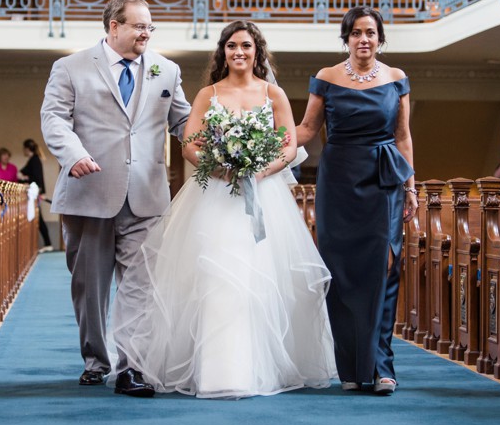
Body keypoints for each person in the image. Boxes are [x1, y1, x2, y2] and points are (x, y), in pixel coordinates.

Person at [114, 20, 335, 399]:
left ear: (257, 51)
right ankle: (217, 372)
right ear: (223, 52)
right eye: (232, 46)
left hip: (263, 198)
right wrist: (220, 166)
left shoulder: (273, 94)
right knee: (216, 279)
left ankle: (255, 369)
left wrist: (258, 170)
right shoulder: (208, 94)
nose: (239, 52)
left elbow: (287, 146)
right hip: (215, 197)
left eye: (246, 46)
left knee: (258, 281)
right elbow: (190, 145)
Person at [40, 0, 191, 397]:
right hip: (89, 191)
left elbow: (184, 121)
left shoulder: (166, 70)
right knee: (90, 286)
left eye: (149, 27)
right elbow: (54, 117)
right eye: (139, 26)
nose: (146, 33)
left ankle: (131, 367)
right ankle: (96, 360)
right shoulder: (70, 67)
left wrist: (223, 140)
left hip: (146, 195)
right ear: (113, 27)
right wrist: (73, 155)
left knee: (140, 285)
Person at [296, 6, 416, 396]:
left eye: (371, 32)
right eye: (356, 33)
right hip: (339, 181)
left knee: (384, 267)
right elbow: (308, 129)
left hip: (383, 180)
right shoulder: (326, 79)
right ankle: (349, 367)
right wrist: (258, 140)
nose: (364, 39)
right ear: (346, 38)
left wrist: (411, 186)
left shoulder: (396, 79)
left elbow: (402, 136)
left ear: (380, 38)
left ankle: (382, 367)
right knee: (341, 272)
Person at [19, 138, 53, 249]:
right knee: (38, 218)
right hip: (36, 191)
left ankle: (48, 243)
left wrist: (40, 192)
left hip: (35, 192)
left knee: (39, 218)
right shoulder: (33, 159)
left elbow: (38, 178)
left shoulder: (34, 160)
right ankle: (48, 243)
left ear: (27, 148)